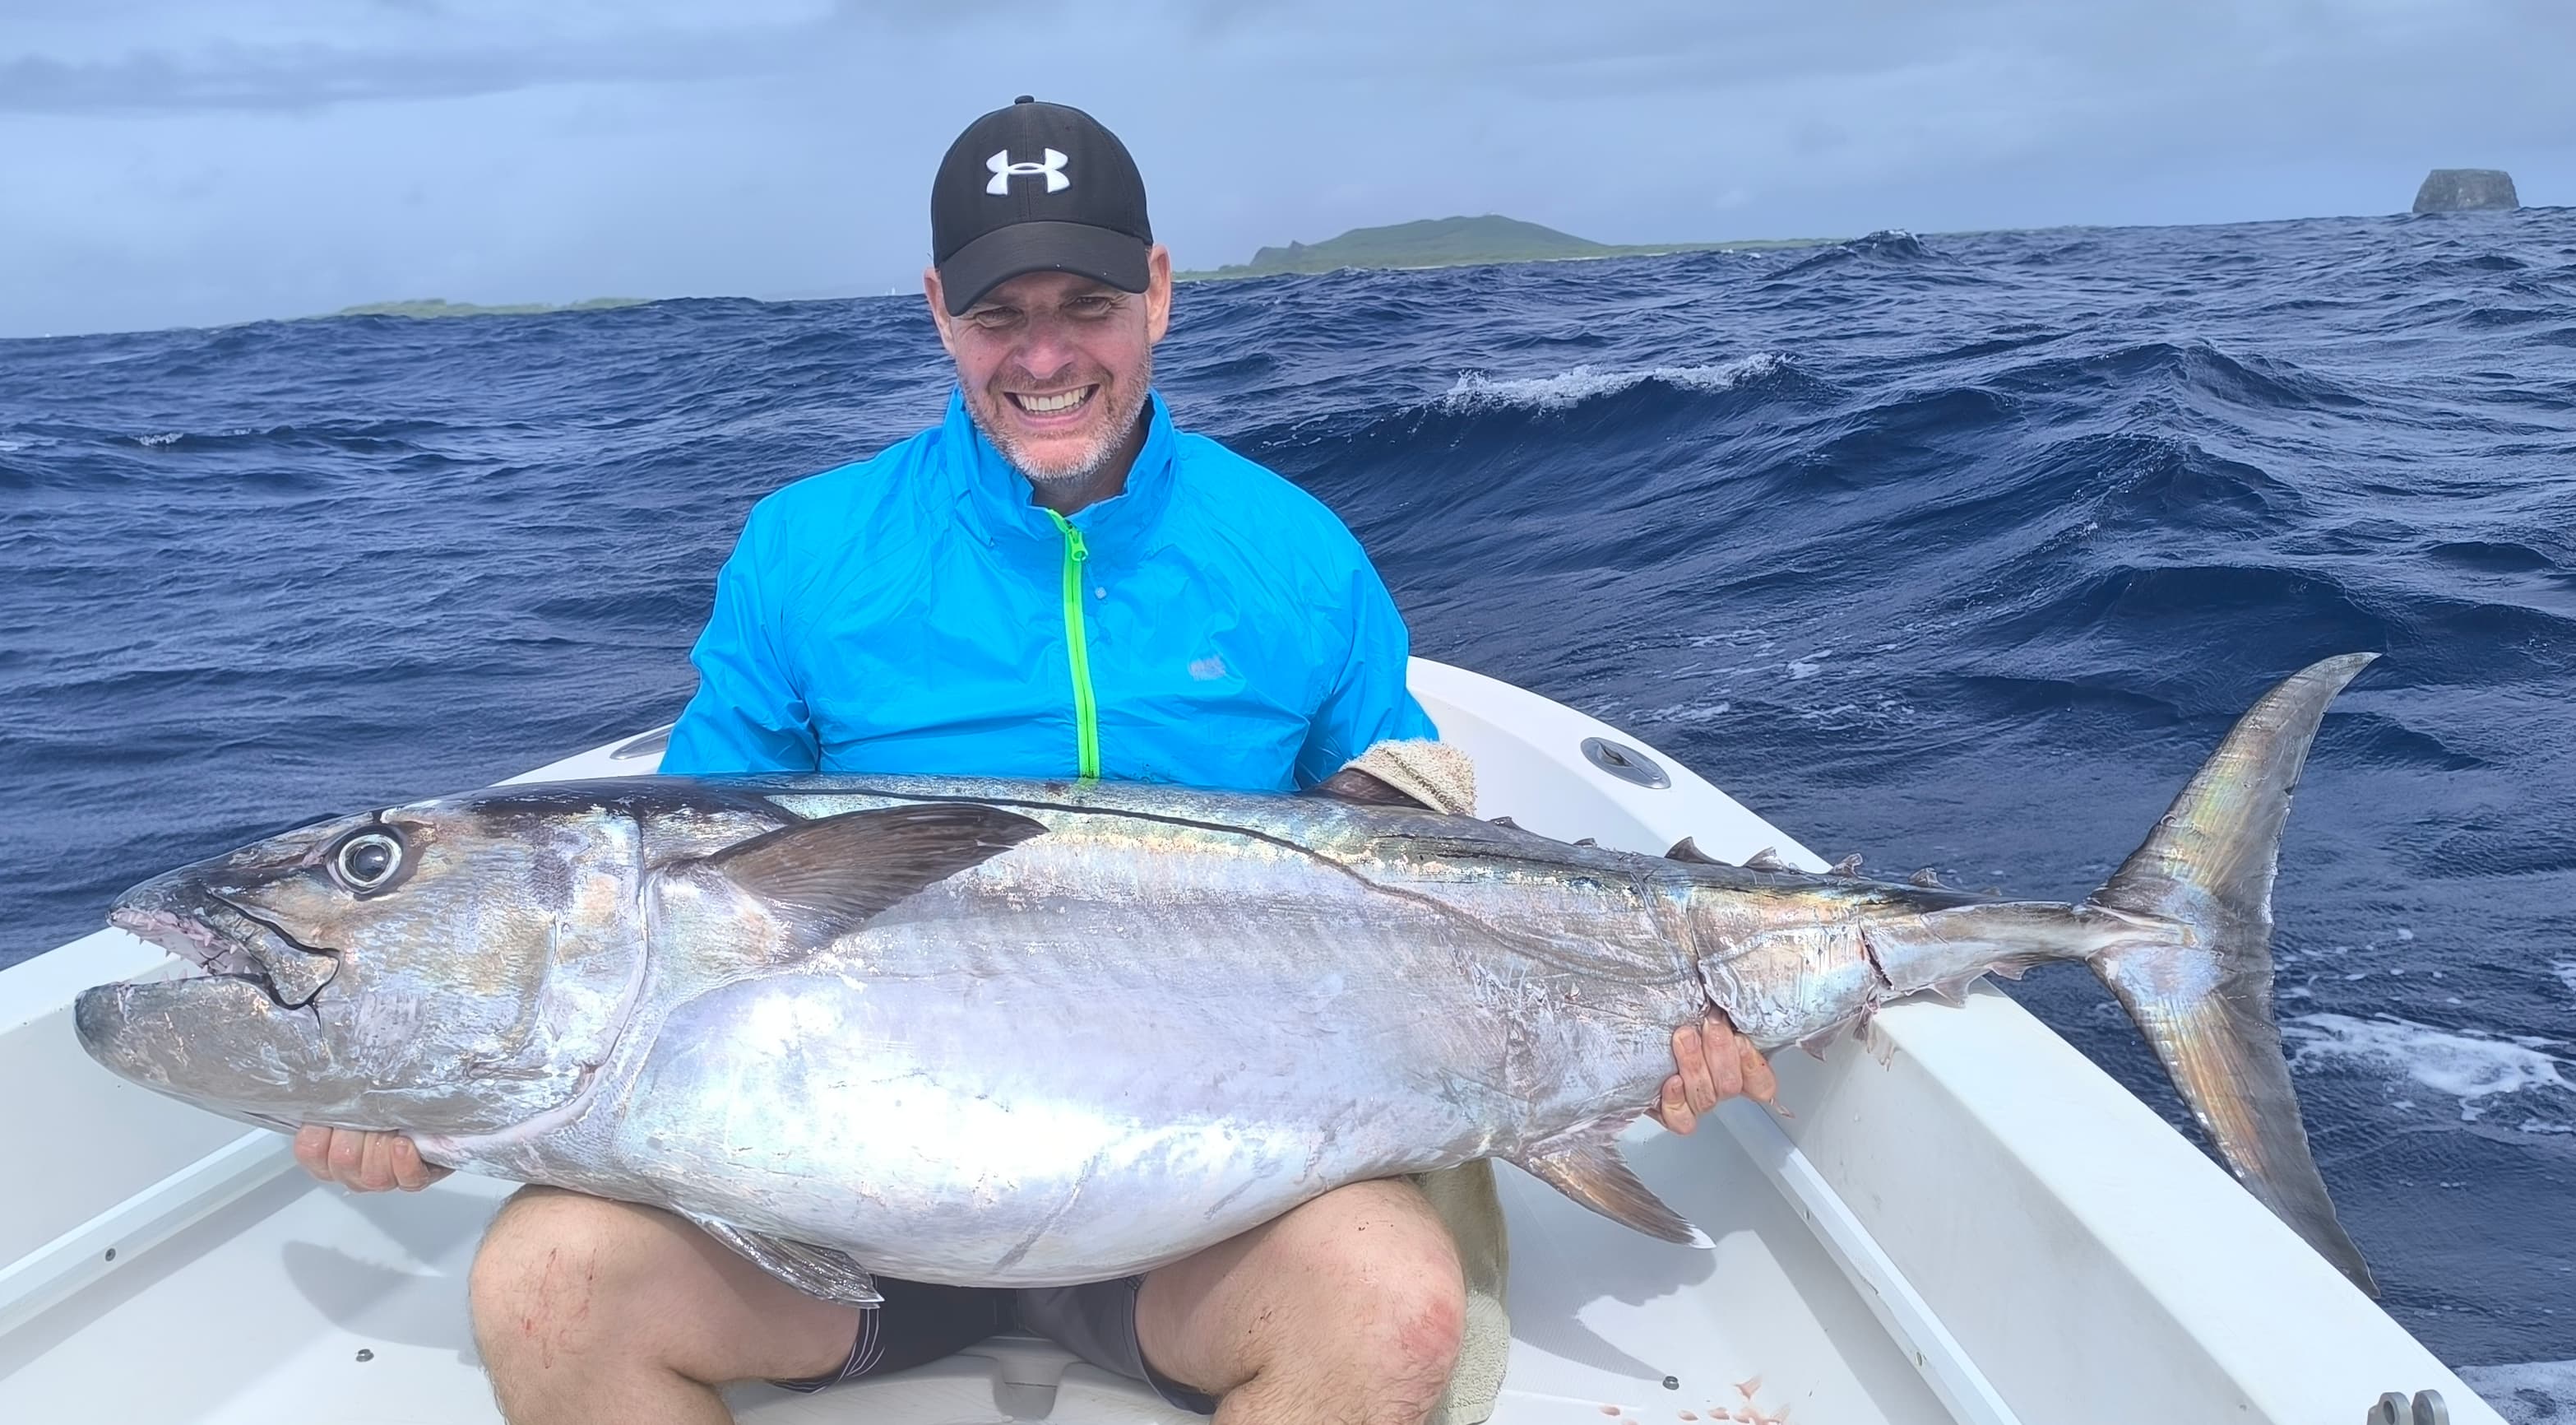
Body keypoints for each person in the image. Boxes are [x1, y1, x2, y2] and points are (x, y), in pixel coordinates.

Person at [291, 97, 1777, 1425]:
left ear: (1162, 295)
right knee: (547, 1286)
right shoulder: (807, 550)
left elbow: (1403, 840)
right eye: (1003, 314)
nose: (1048, 355)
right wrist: (440, 1089)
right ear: (938, 310)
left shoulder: (1290, 548)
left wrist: (1623, 1020)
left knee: (1393, 1306)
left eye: (1090, 303)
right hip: (834, 1218)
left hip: (1216, 1195)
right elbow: (677, 895)